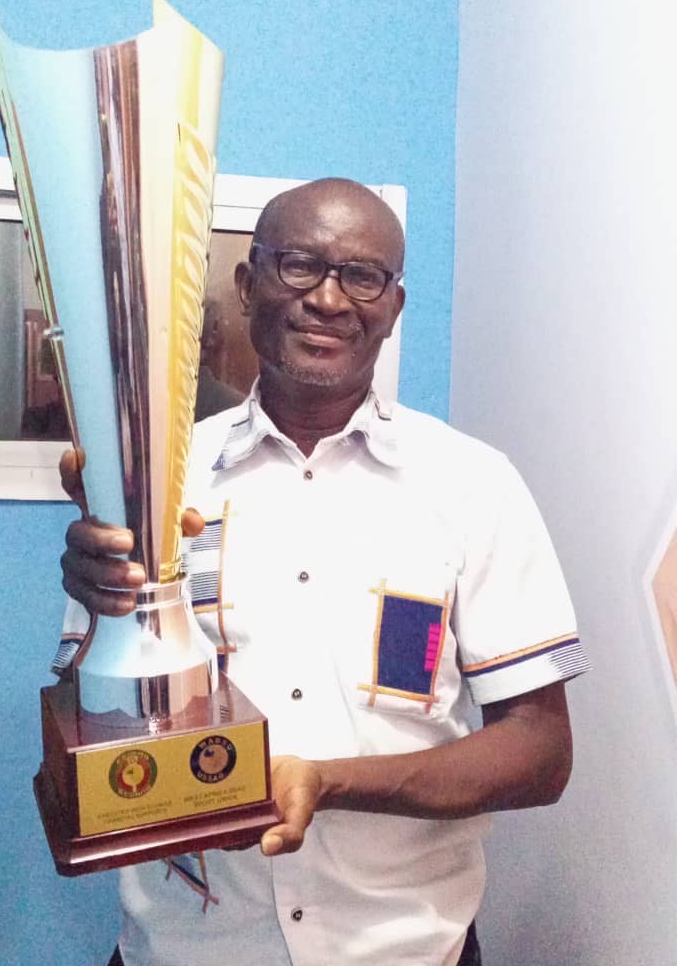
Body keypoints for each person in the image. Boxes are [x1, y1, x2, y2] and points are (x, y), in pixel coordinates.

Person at [59, 178, 590, 966]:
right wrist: (103, 611)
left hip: (405, 948)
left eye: (363, 276)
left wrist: (329, 781)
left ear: (393, 307)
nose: (330, 299)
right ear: (248, 285)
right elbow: (89, 725)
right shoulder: (158, 480)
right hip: (190, 946)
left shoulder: (474, 484)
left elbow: (540, 752)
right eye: (300, 265)